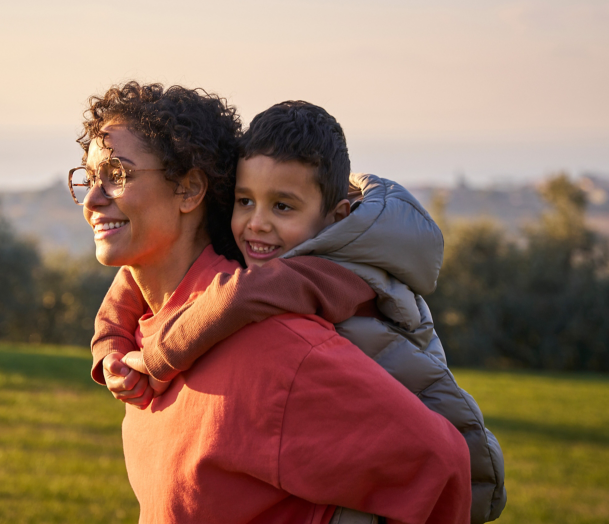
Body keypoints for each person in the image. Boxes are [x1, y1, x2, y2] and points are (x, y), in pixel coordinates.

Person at [76, 82, 471, 524]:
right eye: (90, 178)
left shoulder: (273, 348)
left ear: (189, 190)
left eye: (117, 174)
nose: (92, 199)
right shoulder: (141, 334)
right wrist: (110, 345)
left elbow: (443, 462)